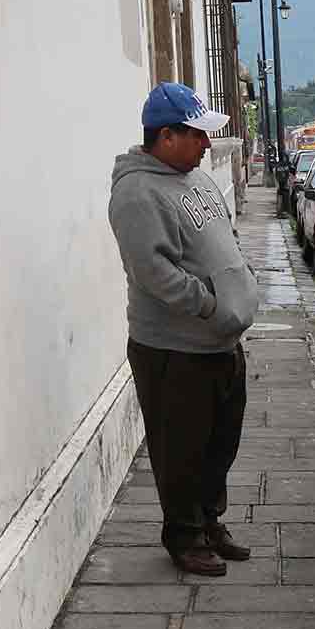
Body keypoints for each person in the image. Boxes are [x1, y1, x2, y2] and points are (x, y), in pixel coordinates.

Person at [109, 82, 260, 577]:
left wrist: (242, 281)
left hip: (220, 341)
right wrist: (212, 306)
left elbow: (223, 237)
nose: (206, 146)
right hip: (175, 348)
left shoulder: (195, 179)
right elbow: (155, 273)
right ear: (166, 136)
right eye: (197, 136)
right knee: (181, 447)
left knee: (220, 441)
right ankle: (184, 534)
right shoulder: (138, 191)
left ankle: (208, 519)